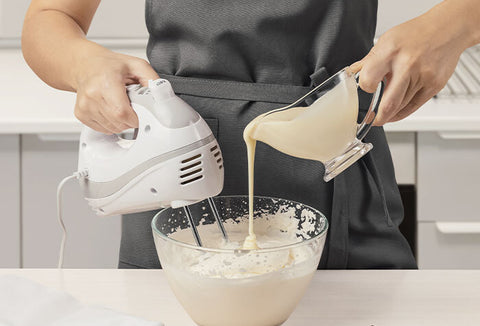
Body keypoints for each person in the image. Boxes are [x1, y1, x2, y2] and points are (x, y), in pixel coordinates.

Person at [22, 0, 480, 269]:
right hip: (178, 161)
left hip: (334, 148)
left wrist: (451, 26)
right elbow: (51, 16)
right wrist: (85, 65)